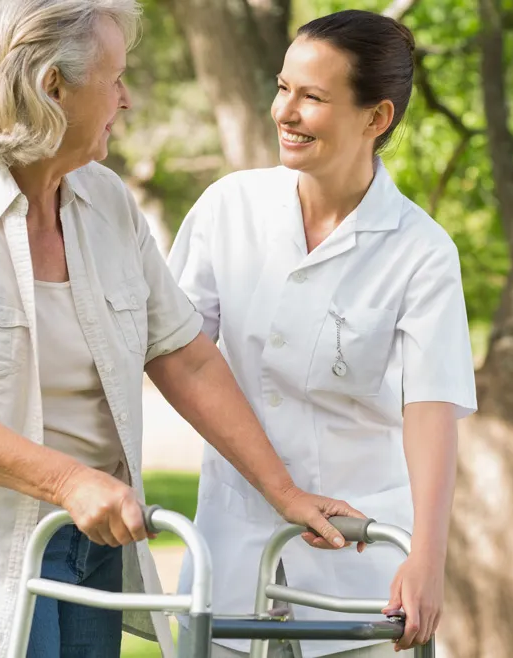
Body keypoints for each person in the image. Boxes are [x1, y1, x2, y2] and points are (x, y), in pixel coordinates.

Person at [0, 1, 361, 657]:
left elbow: (185, 357)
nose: (126, 100)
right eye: (115, 78)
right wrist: (70, 481)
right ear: (51, 86)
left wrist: (283, 490)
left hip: (91, 545)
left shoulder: (107, 202)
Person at [168, 9, 478, 657]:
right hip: (232, 551)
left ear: (376, 118)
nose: (285, 111)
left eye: (312, 97)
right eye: (283, 88)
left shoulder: (421, 251)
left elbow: (431, 408)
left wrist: (427, 556)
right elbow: (175, 354)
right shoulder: (230, 209)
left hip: (356, 567)